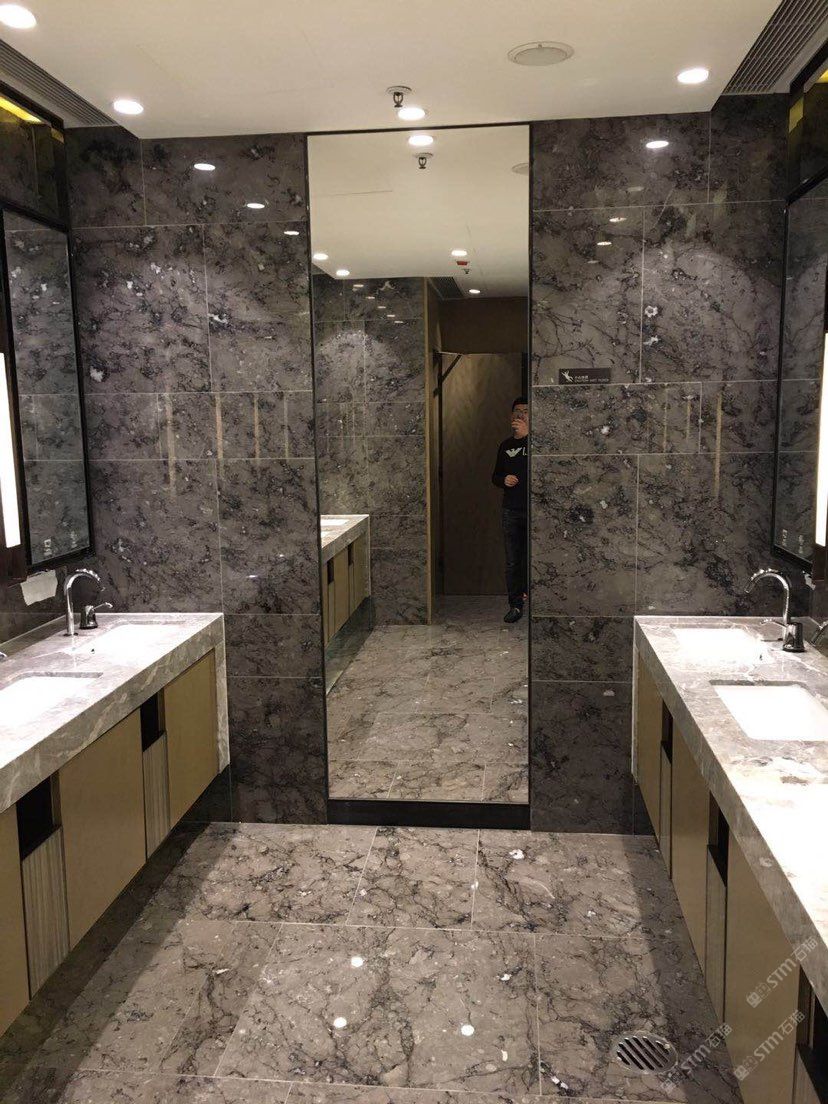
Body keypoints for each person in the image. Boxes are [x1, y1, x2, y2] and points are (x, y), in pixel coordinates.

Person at [491, 397, 528, 623]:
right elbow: (495, 476)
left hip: (534, 510)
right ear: (511, 416)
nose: (521, 414)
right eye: (517, 411)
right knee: (513, 560)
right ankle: (515, 605)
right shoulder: (505, 446)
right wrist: (503, 479)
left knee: (533, 558)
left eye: (526, 411)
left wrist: (527, 437)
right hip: (511, 510)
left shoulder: (538, 442)